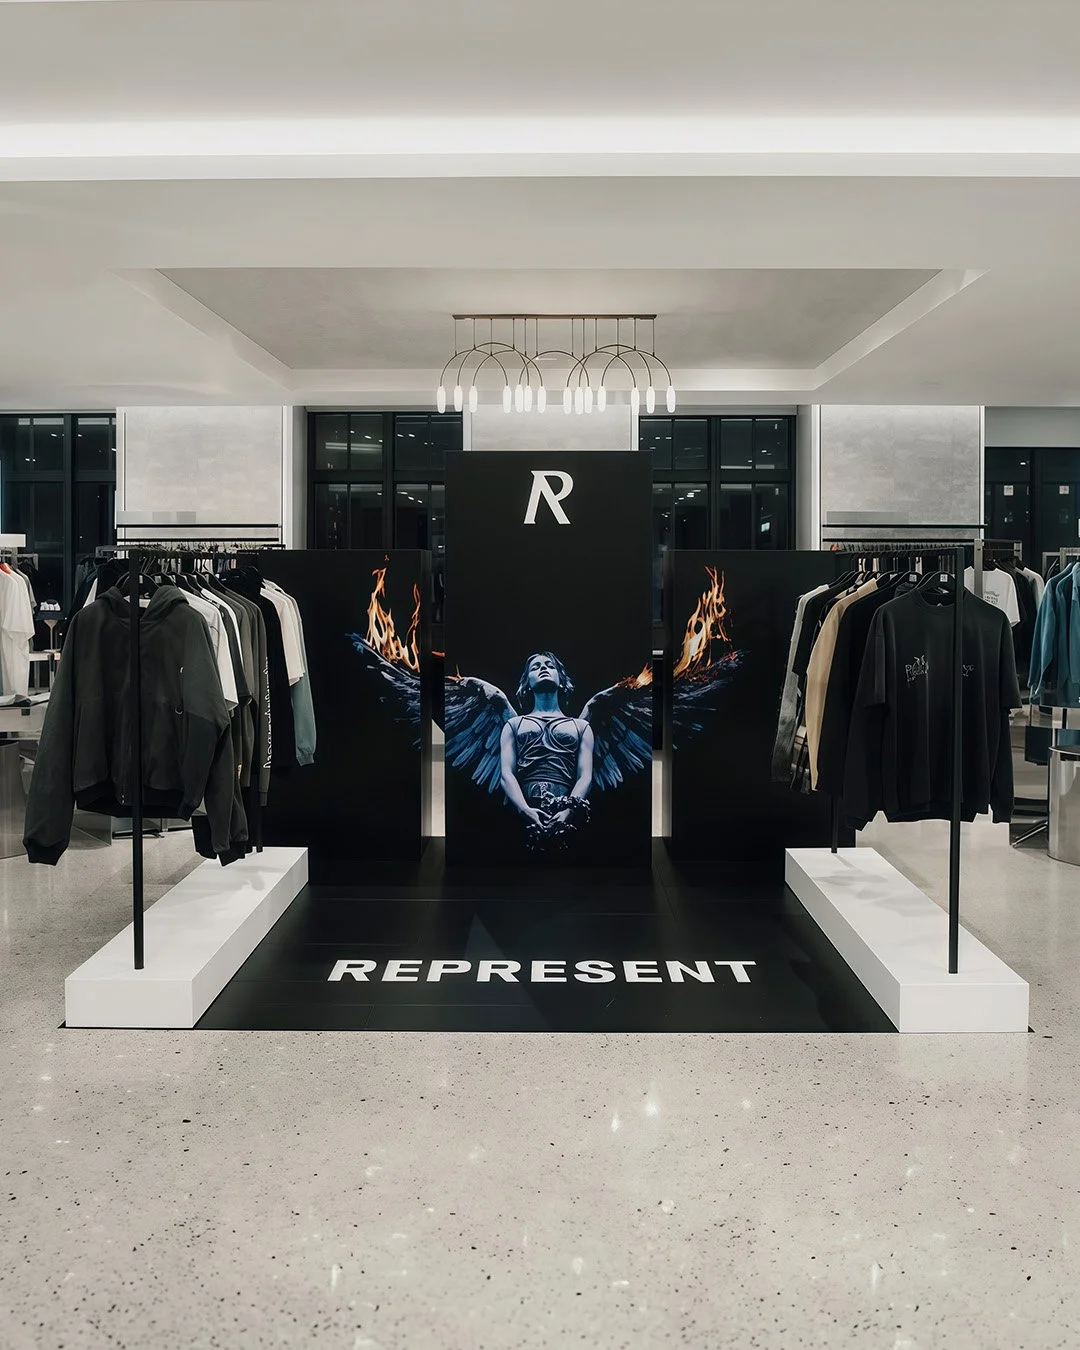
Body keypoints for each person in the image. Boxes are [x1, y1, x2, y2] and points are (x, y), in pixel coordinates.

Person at [499, 651, 593, 841]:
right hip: (521, 812)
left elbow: (585, 776)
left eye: (550, 666)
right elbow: (506, 774)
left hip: (566, 810)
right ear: (527, 684)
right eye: (536, 667)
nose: (543, 668)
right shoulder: (513, 724)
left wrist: (569, 811)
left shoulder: (581, 726)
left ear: (561, 680)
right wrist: (524, 809)